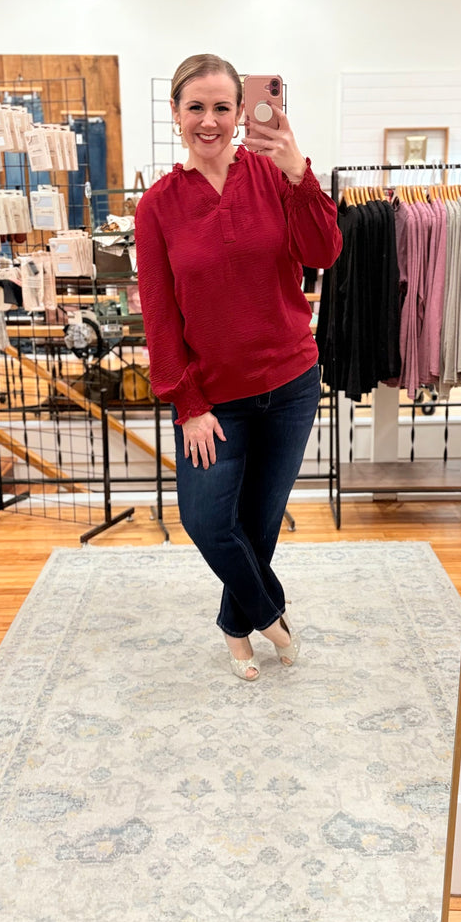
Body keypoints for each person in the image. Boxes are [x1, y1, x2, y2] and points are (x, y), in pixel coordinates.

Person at [135, 54, 342, 682]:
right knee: (204, 519)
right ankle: (270, 614)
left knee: (258, 523)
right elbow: (159, 315)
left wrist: (300, 172)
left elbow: (324, 251)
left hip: (290, 384)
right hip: (214, 399)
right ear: (175, 113)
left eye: (222, 107)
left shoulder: (275, 175)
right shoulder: (158, 205)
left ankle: (235, 627)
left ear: (240, 112)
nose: (210, 120)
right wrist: (188, 404)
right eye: (196, 107)